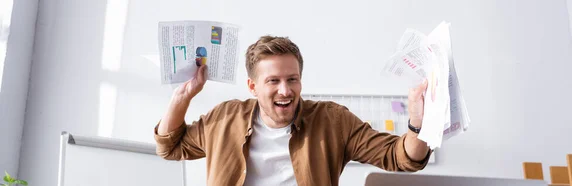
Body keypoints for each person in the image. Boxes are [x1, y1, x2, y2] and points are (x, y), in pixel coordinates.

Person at [154, 35, 432, 186]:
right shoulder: (224, 118)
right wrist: (184, 96)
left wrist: (418, 123)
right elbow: (170, 146)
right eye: (273, 81)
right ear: (252, 86)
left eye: (292, 79)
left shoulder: (332, 120)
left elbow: (401, 158)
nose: (285, 90)